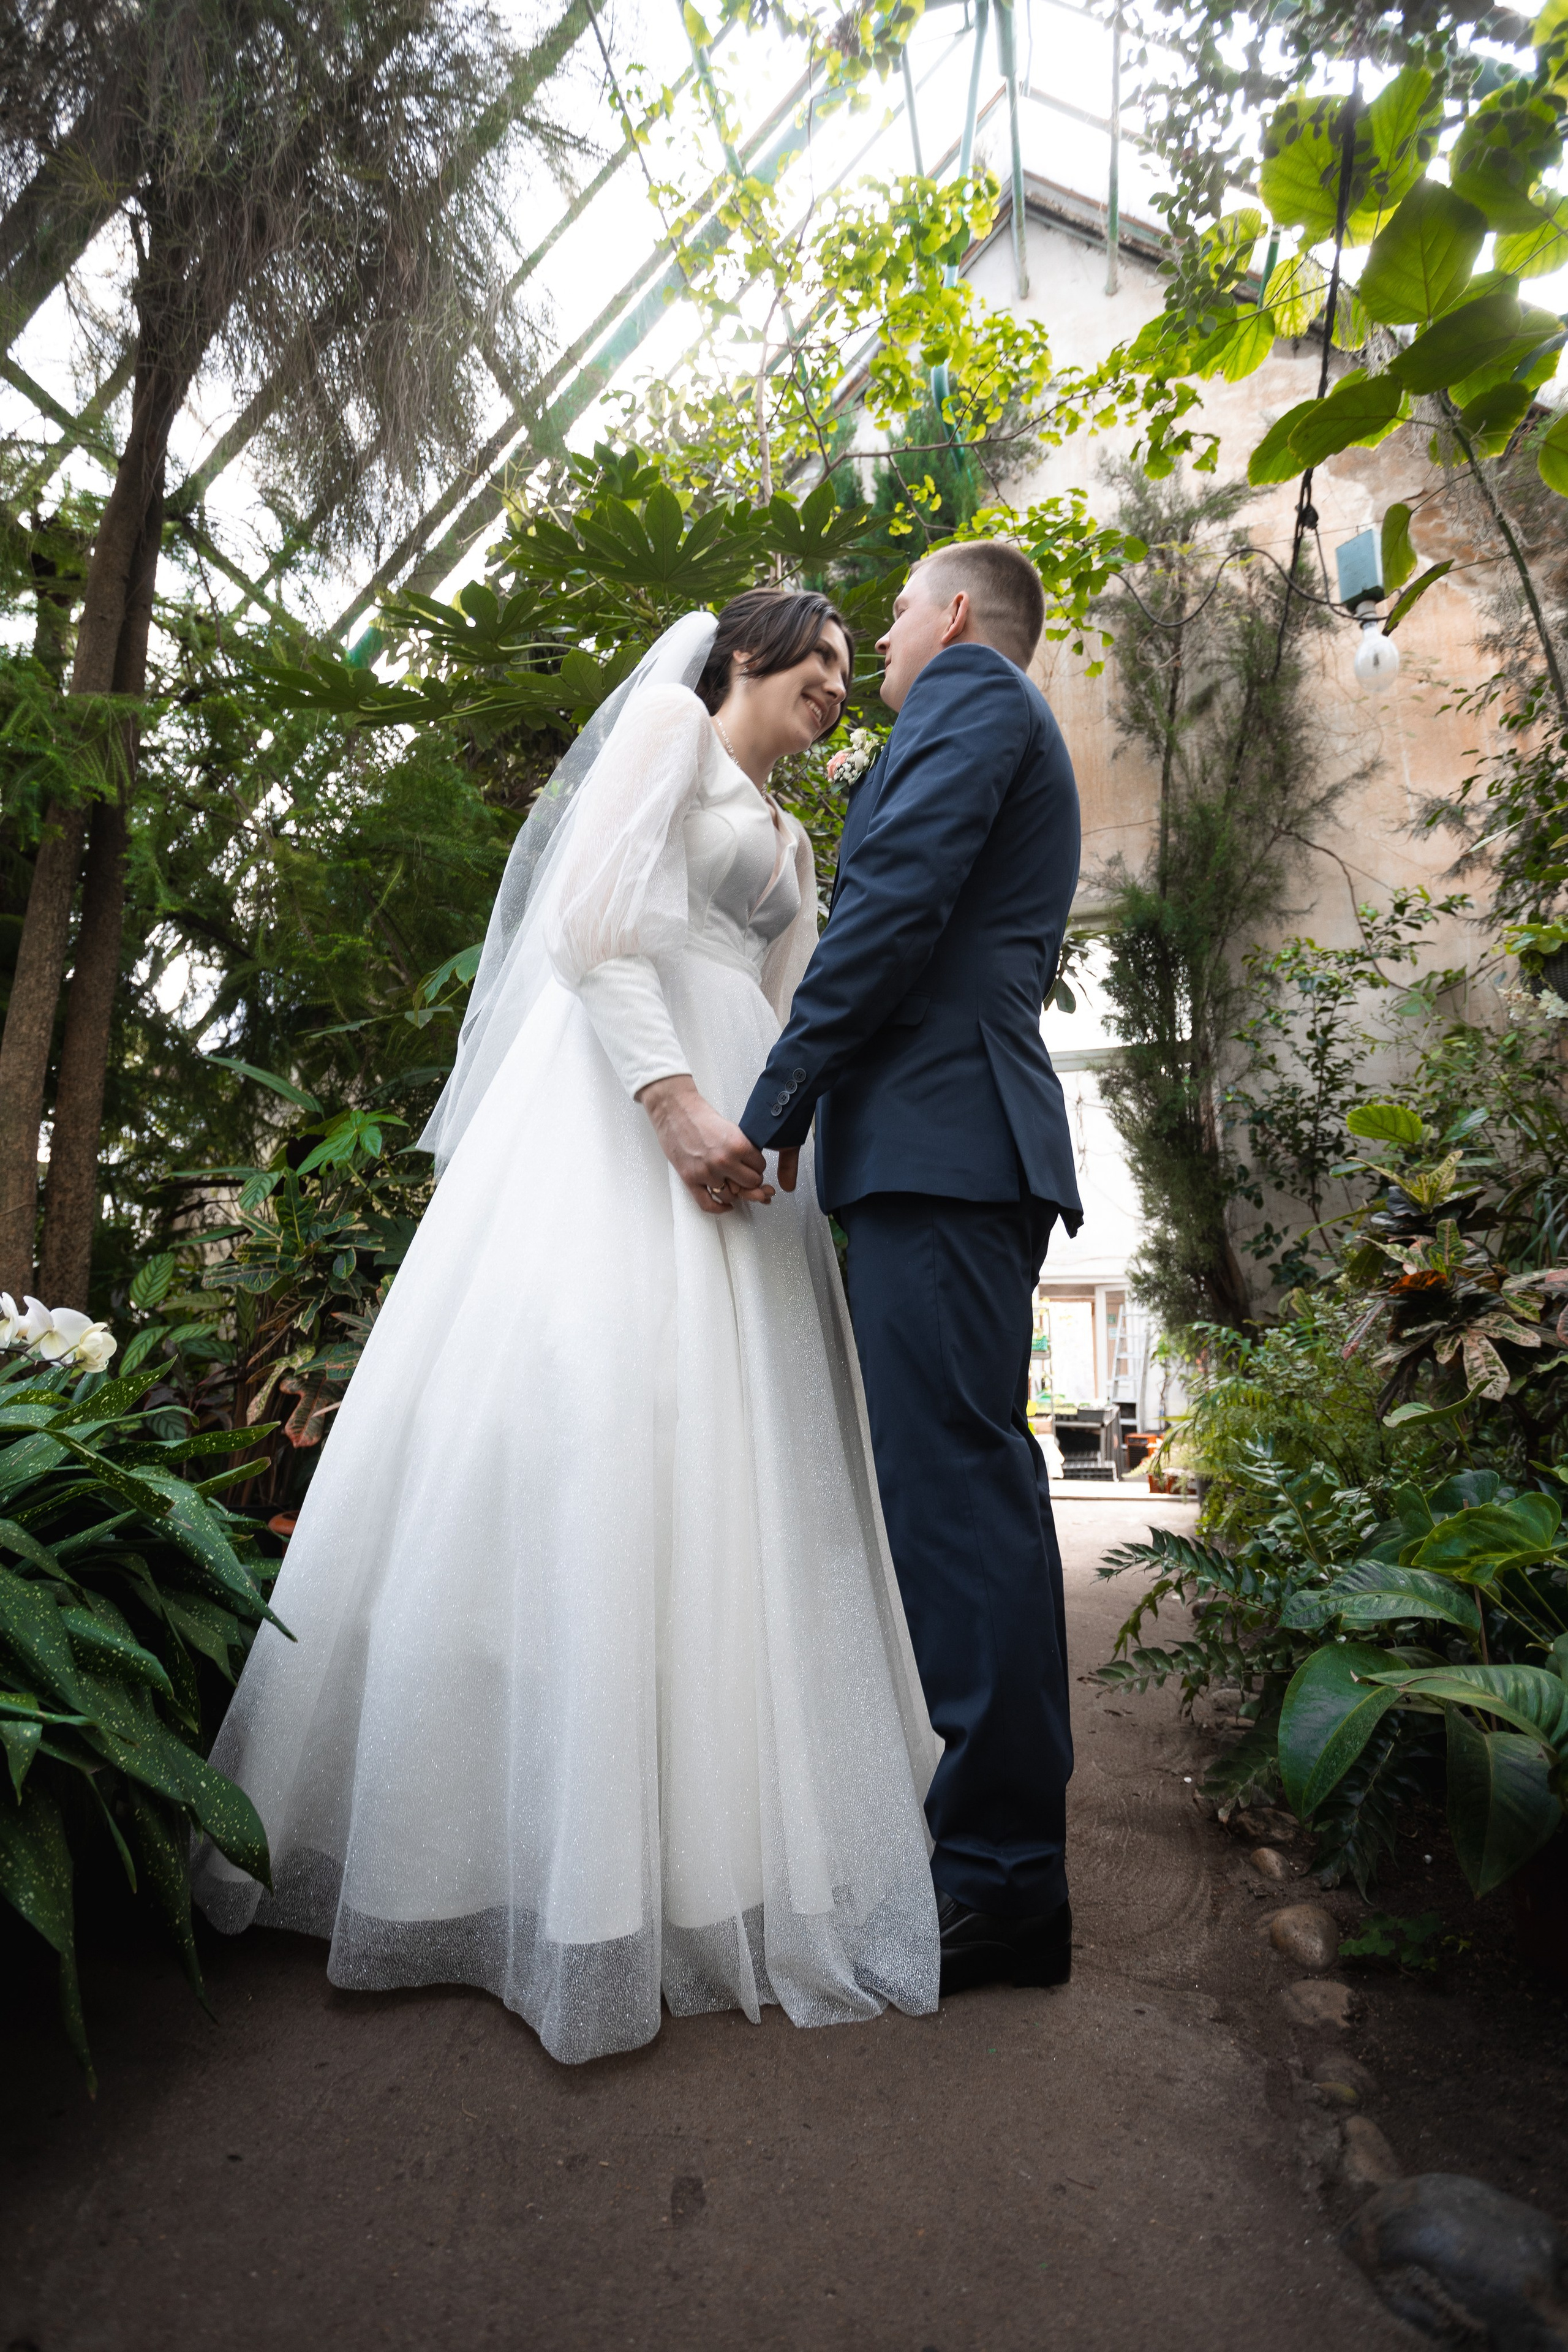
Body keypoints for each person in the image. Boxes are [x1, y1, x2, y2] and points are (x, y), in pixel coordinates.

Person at [193, 590, 941, 2065]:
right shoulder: (667, 729)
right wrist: (670, 1106)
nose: (841, 688)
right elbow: (588, 925)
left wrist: (791, 1141)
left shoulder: (792, 843)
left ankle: (703, 1863)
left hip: (751, 1166)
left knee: (733, 1478)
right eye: (823, 662)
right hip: (619, 1122)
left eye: (856, 670)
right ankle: (497, 1863)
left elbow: (804, 1008)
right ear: (745, 655)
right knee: (593, 1430)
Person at [739, 542, 1084, 1997]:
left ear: (950, 618)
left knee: (955, 1500)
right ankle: (992, 1860)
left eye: (887, 620)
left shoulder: (970, 697)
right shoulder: (982, 714)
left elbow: (889, 909)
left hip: (942, 1149)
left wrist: (776, 1100)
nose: (874, 649)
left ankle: (1002, 1883)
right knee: (956, 1491)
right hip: (944, 1148)